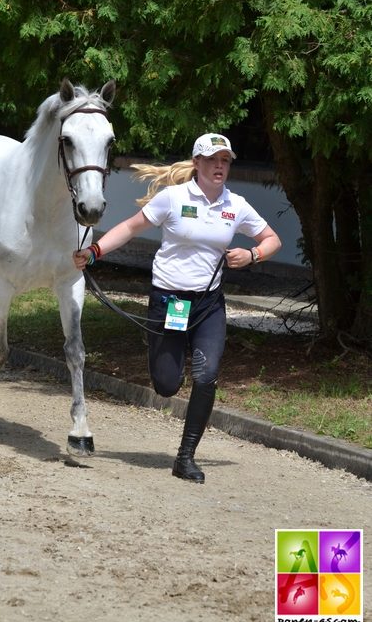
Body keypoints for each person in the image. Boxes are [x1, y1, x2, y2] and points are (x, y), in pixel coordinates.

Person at [73, 133, 281, 484]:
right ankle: (168, 357)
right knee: (167, 385)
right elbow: (129, 227)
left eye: (225, 160)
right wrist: (94, 252)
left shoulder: (236, 205)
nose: (220, 166)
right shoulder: (173, 198)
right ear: (197, 163)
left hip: (209, 304)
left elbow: (272, 239)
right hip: (170, 301)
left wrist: (252, 255)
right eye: (213, 159)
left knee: (206, 375)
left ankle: (185, 458)